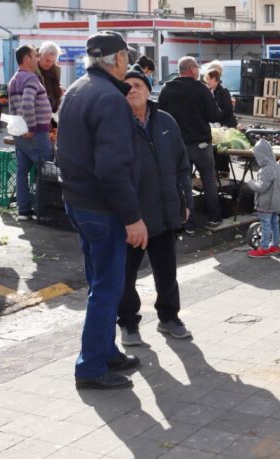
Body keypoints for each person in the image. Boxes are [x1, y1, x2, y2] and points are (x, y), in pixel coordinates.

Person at [57, 31, 146, 390]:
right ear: (119, 59)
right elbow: (111, 169)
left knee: (101, 283)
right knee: (106, 288)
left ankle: (105, 352)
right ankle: (92, 366)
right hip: (101, 207)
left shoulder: (79, 87)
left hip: (81, 201)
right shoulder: (108, 98)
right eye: (127, 57)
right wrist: (132, 217)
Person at [118, 69, 194, 347]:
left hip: (164, 212)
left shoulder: (166, 122)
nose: (132, 90)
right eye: (126, 87)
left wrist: (186, 201)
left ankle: (169, 318)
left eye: (138, 85)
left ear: (149, 91)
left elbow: (182, 165)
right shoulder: (117, 125)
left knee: (167, 271)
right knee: (125, 275)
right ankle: (127, 322)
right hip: (132, 216)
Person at [158, 56, 223, 230]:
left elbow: (159, 115)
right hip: (201, 144)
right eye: (197, 68)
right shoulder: (201, 89)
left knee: (183, 183)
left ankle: (189, 223)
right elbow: (214, 116)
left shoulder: (167, 88)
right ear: (192, 69)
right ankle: (214, 217)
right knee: (208, 180)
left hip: (178, 145)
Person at [8, 45, 54, 221]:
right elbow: (27, 103)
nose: (38, 59)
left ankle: (24, 211)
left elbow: (14, 108)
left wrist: (19, 130)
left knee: (22, 172)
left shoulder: (14, 79)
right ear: (26, 58)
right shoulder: (31, 79)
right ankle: (45, 210)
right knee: (46, 171)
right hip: (35, 135)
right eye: (35, 56)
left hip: (21, 134)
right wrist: (32, 128)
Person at [246, 139, 280, 257]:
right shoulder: (276, 166)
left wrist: (251, 183)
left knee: (265, 225)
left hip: (266, 203)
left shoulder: (266, 169)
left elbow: (261, 187)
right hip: (275, 203)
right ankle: (275, 246)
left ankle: (264, 248)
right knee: (274, 224)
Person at [36, 41, 64, 114]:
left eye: (53, 61)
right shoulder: (32, 70)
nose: (49, 64)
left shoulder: (55, 69)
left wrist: (59, 88)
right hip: (40, 114)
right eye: (47, 60)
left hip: (54, 113)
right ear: (40, 55)